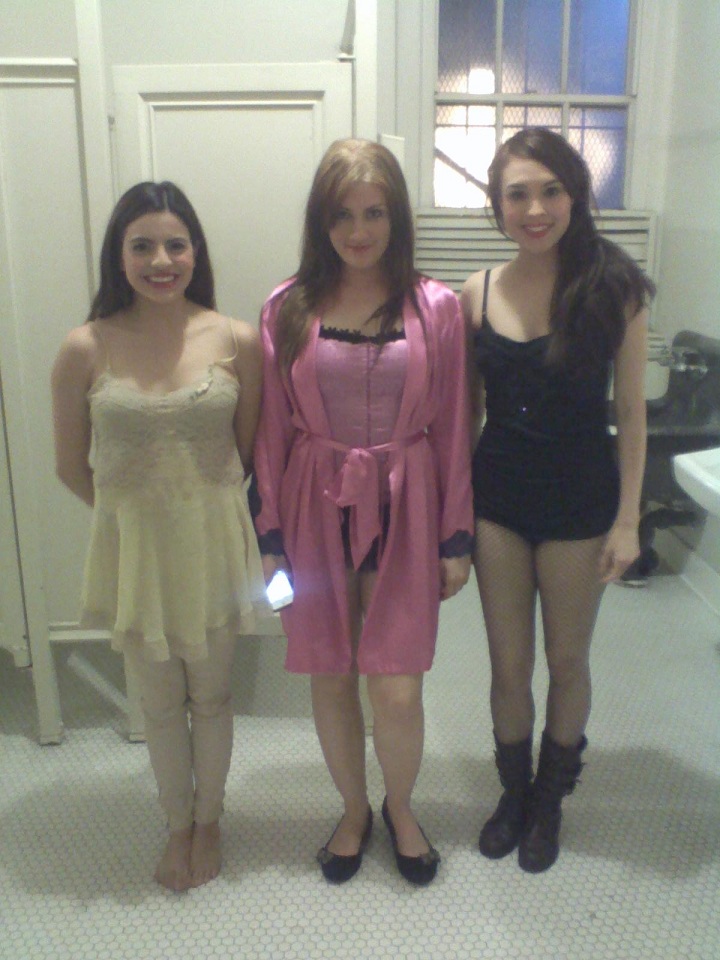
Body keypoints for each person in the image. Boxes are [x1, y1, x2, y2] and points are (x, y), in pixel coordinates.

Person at [253, 139, 474, 885]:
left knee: (398, 686)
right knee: (330, 674)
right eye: (342, 214)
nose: (358, 230)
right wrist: (270, 540)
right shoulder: (286, 308)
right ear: (321, 221)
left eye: (374, 212)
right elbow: (271, 431)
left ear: (396, 217)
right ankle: (353, 810)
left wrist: (455, 536)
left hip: (409, 508)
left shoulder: (436, 307)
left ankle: (400, 806)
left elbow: (454, 426)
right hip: (311, 508)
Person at [51, 181, 268, 891]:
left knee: (212, 696)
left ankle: (211, 820)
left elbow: (248, 453)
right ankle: (177, 823)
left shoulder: (236, 340)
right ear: (119, 256)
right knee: (158, 702)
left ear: (195, 252)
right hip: (136, 554)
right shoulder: (84, 347)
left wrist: (194, 512)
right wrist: (133, 520)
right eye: (142, 245)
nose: (161, 261)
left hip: (214, 545)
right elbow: (69, 466)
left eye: (175, 244)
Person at [462, 128, 654, 873]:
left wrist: (629, 520)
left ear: (575, 196)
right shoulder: (477, 292)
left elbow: (631, 413)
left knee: (567, 660)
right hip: (498, 502)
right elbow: (464, 417)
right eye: (518, 194)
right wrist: (448, 518)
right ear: (498, 205)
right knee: (507, 666)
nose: (535, 209)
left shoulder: (615, 287)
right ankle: (514, 795)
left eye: (550, 191)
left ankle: (549, 801)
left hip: (581, 501)